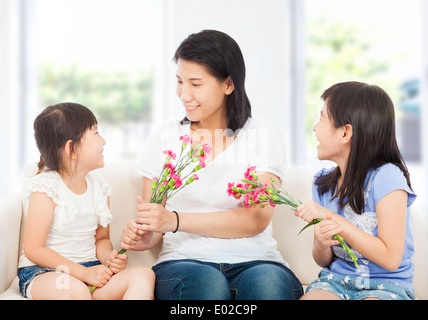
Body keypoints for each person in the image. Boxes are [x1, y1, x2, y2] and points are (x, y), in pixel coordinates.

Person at [121, 30, 303, 300]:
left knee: (265, 287)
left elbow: (256, 220)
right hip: (183, 261)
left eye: (196, 84)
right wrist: (148, 236)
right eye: (180, 82)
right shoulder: (165, 138)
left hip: (257, 261)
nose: (184, 95)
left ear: (228, 84)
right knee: (207, 286)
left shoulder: (264, 136)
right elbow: (156, 225)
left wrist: (174, 220)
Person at [18, 103, 155, 300]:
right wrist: (83, 274)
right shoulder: (46, 188)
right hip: (45, 273)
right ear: (71, 149)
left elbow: (101, 239)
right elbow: (34, 249)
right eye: (96, 133)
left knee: (143, 275)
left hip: (89, 271)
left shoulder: (100, 187)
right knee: (75, 290)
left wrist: (109, 259)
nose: (104, 141)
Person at [295, 82, 417, 300]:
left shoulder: (387, 177)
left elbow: (391, 258)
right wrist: (322, 242)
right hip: (335, 282)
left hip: (386, 287)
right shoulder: (322, 183)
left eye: (322, 118)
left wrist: (334, 221)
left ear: (345, 133)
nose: (314, 127)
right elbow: (323, 260)